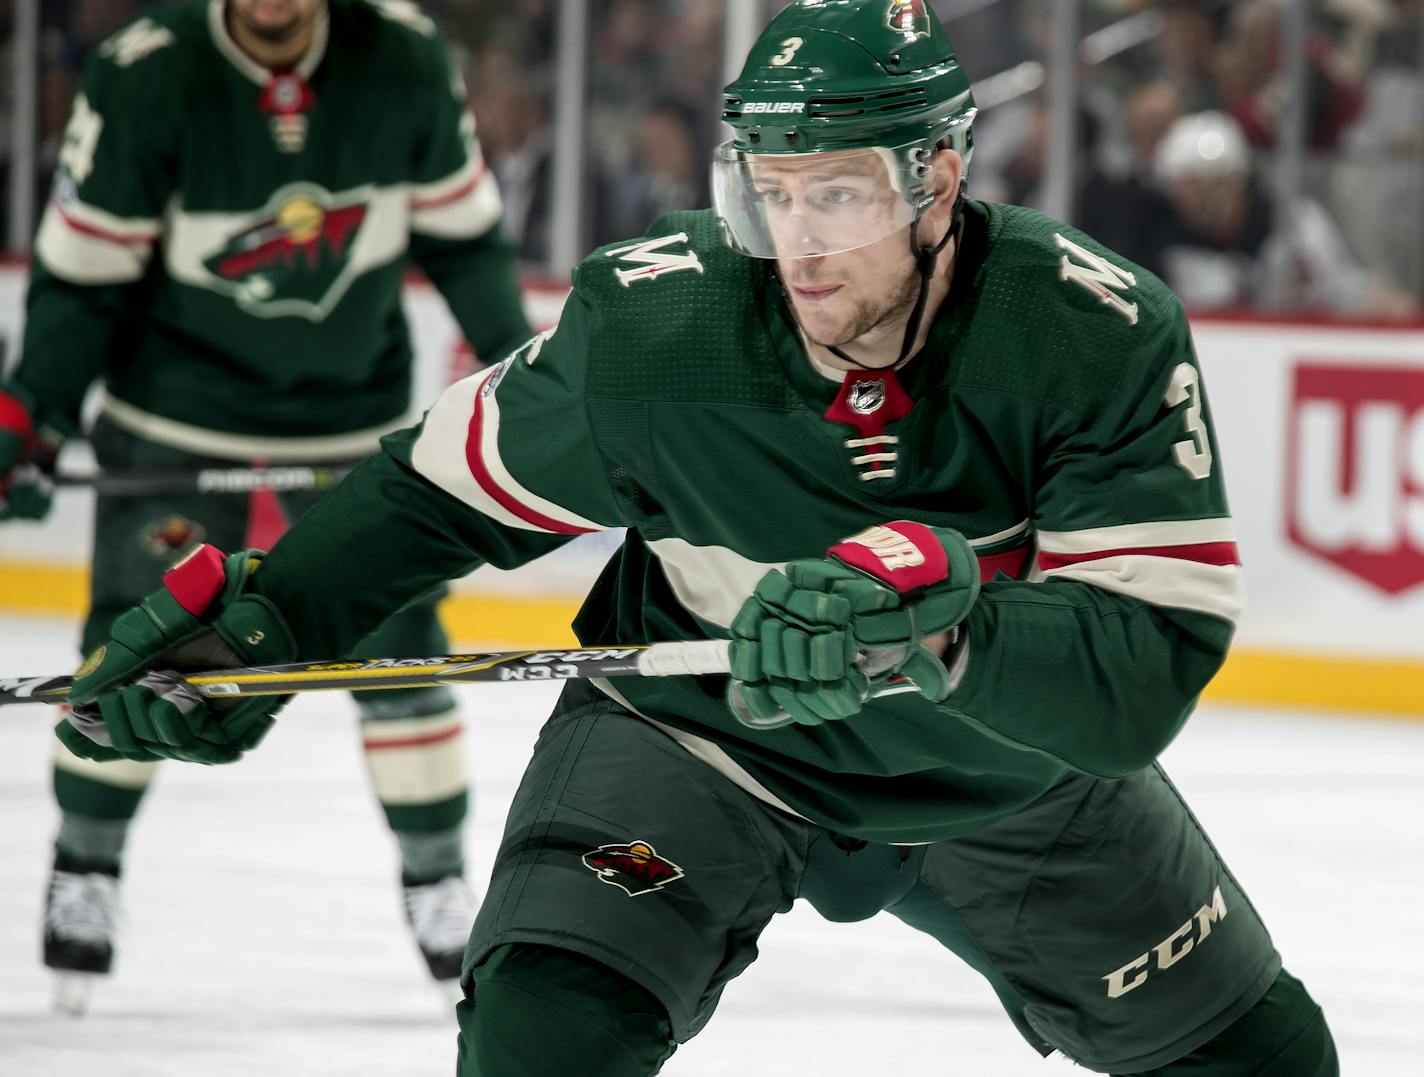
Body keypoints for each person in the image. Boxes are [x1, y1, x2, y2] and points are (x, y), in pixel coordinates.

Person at [50, 2, 1338, 1073]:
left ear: (938, 176)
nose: (799, 243)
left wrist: (946, 626)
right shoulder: (660, 328)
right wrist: (276, 621)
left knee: (1262, 1062)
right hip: (703, 739)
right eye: (768, 192)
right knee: (540, 1037)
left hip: (1001, 767)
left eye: (837, 193)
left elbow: (1137, 674)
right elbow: (437, 495)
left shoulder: (1087, 331)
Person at [0, 0, 532, 1004]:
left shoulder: (404, 56)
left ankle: (437, 879)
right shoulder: (147, 71)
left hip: (351, 423)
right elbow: (82, 278)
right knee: (136, 640)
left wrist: (528, 372)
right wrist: (33, 411)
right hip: (178, 416)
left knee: (400, 645)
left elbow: (465, 239)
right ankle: (85, 863)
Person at [1153, 109, 1415, 315]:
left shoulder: (1296, 223)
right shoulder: (1167, 238)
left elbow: (1346, 289)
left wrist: (1384, 304)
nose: (1187, 199)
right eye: (1180, 188)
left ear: (1231, 179)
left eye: (1198, 185)